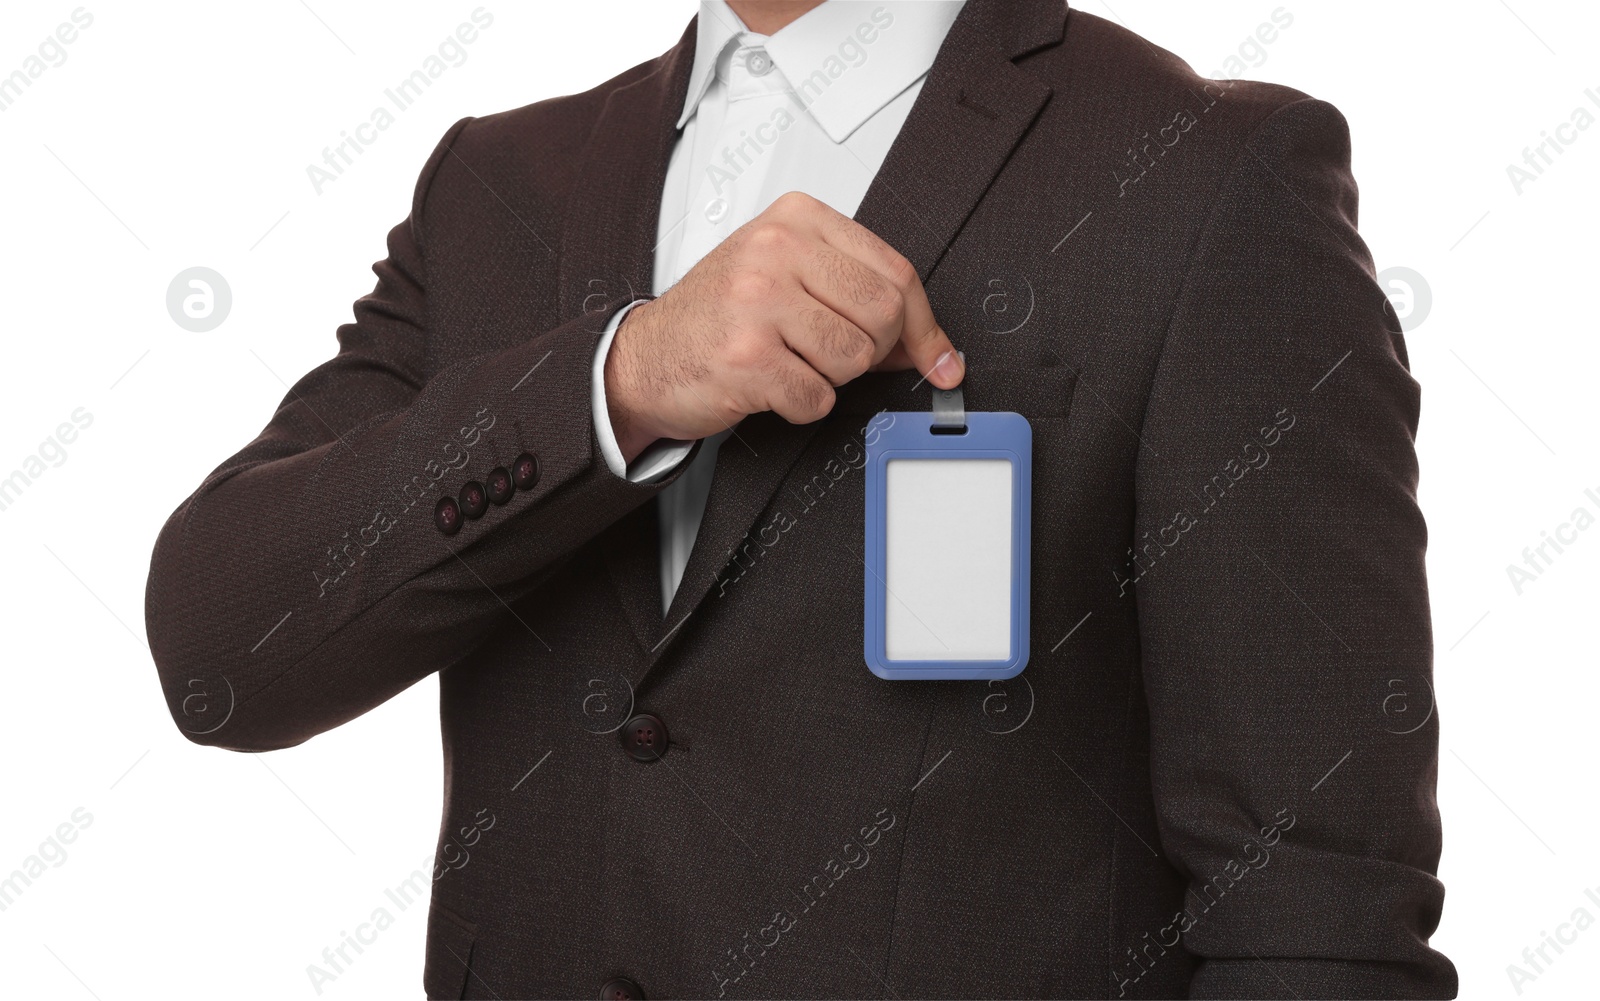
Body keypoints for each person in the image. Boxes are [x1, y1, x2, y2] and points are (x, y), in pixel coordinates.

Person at [144, 1, 1457, 997]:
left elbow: (1318, 897)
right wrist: (620, 380)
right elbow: (224, 649)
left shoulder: (1206, 173)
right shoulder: (495, 184)